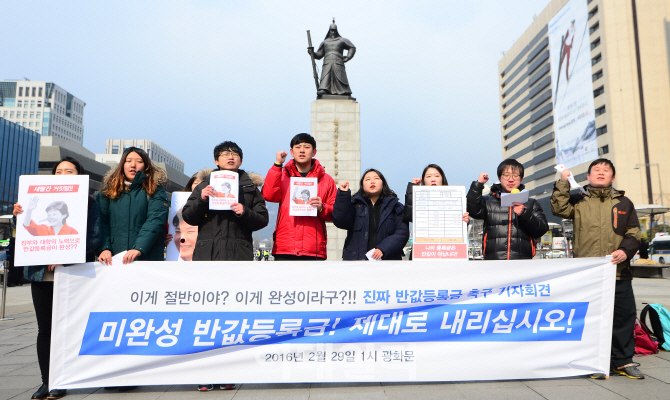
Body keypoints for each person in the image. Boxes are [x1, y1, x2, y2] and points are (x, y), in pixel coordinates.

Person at [13, 156, 101, 400]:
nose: (63, 174)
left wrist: (66, 256)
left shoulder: (88, 202)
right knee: (45, 329)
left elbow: (94, 237)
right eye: (59, 171)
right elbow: (26, 231)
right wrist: (21, 213)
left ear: (79, 175)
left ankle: (65, 379)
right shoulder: (39, 214)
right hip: (41, 274)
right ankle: (47, 381)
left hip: (72, 273)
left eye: (69, 171)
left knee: (68, 329)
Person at [181, 141, 266, 391]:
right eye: (225, 154)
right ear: (216, 160)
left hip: (237, 254)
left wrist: (244, 211)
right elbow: (188, 216)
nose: (230, 157)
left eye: (235, 154)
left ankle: (228, 371)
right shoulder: (206, 185)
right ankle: (204, 372)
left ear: (241, 161)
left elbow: (262, 219)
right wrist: (202, 199)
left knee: (232, 315)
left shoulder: (249, 188)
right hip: (207, 256)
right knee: (206, 315)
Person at [551, 159, 643, 379]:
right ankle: (593, 362)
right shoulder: (578, 200)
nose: (601, 173)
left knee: (623, 317)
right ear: (589, 177)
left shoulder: (624, 203)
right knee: (591, 318)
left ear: (612, 177)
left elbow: (634, 232)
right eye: (596, 171)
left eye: (606, 170)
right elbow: (558, 208)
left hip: (618, 271)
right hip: (589, 273)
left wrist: (625, 250)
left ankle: (623, 361)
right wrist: (563, 182)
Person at [262, 133, 336, 260]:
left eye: (307, 147)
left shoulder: (326, 180)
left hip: (313, 249)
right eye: (298, 147)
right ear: (291, 151)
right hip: (285, 246)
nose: (302, 150)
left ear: (314, 152)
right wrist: (277, 165)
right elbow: (269, 196)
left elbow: (335, 213)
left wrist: (322, 208)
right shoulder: (281, 175)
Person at [97, 147, 169, 267]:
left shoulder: (155, 191)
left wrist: (139, 248)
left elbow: (155, 221)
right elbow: (100, 222)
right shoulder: (107, 192)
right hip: (114, 259)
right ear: (122, 165)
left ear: (146, 166)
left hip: (147, 259)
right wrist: (104, 248)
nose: (133, 165)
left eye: (139, 161)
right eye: (128, 161)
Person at [466, 159, 548, 260]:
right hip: (494, 260)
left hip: (523, 262)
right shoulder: (488, 201)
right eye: (506, 175)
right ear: (500, 178)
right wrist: (479, 184)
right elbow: (473, 209)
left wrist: (524, 214)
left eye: (515, 175)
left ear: (521, 178)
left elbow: (541, 230)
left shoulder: (531, 203)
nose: (510, 179)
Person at [333, 169, 409, 260]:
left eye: (376, 178)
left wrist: (383, 249)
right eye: (367, 179)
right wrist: (343, 195)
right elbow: (341, 221)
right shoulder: (354, 206)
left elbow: (402, 233)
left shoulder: (395, 206)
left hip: (387, 262)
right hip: (356, 262)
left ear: (383, 183)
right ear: (362, 185)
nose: (372, 181)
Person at [309, 20, 356, 96]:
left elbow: (352, 47)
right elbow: (319, 54)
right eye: (331, 31)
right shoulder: (325, 42)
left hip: (338, 61)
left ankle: (343, 90)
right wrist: (312, 53)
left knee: (340, 76)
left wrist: (348, 57)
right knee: (326, 75)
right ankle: (324, 89)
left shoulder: (342, 40)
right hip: (327, 61)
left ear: (337, 31)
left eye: (334, 31)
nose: (333, 32)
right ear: (329, 31)